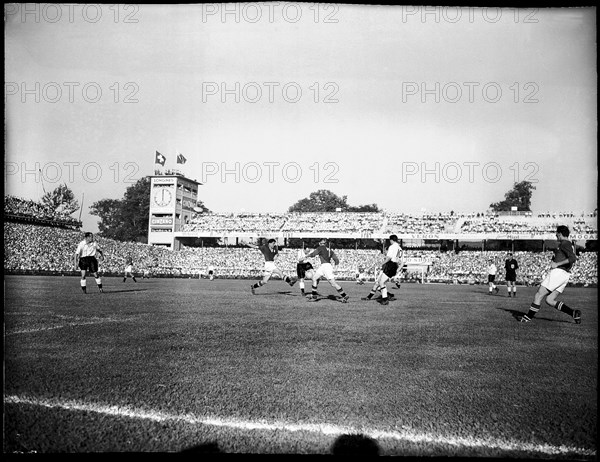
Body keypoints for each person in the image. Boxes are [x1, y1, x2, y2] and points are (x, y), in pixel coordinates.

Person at [519, 226, 581, 324]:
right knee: (550, 300)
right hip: (565, 275)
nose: (556, 235)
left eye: (556, 233)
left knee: (539, 294)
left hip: (559, 272)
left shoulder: (565, 243)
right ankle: (573, 313)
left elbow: (573, 258)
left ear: (560, 233)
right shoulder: (567, 244)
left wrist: (557, 264)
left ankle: (528, 317)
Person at [361, 234, 403, 305]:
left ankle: (385, 299)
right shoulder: (400, 248)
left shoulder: (392, 247)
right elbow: (401, 262)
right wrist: (397, 270)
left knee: (381, 283)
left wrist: (382, 263)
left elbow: (389, 258)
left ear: (391, 240)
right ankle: (371, 297)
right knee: (379, 282)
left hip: (390, 265)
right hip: (394, 266)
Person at [306, 238, 349, 303]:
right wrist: (336, 266)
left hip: (325, 267)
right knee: (314, 278)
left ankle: (344, 295)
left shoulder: (320, 248)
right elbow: (336, 260)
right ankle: (314, 295)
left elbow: (313, 254)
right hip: (326, 266)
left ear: (320, 243)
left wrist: (306, 256)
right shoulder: (330, 250)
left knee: (333, 283)